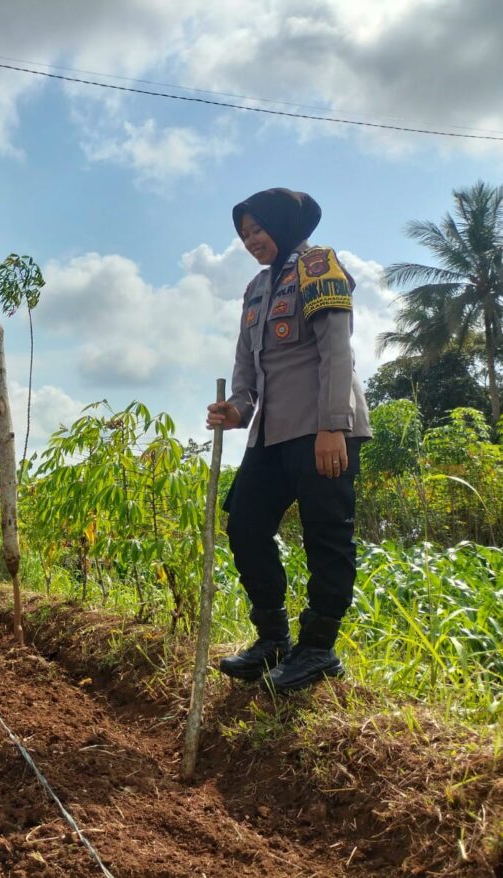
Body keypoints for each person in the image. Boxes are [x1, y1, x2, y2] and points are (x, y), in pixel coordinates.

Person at [207, 189, 371, 692]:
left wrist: (332, 426)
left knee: (327, 536)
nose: (251, 240)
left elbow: (336, 350)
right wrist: (236, 408)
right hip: (271, 433)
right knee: (246, 526)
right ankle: (272, 640)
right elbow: (247, 368)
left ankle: (318, 648)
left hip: (323, 427)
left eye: (258, 229)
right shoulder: (255, 289)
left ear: (282, 224)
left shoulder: (318, 266)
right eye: (244, 234)